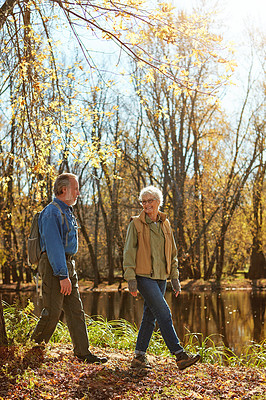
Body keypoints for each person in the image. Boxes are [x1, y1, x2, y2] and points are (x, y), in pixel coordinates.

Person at [31, 173, 107, 364]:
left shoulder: (67, 211)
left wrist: (67, 270)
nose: (78, 193)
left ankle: (83, 353)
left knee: (75, 310)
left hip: (66, 264)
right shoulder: (52, 212)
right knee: (53, 311)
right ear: (63, 190)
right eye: (75, 189)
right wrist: (62, 275)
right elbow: (54, 245)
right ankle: (33, 349)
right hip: (53, 265)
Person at [123, 186, 200, 371]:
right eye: (144, 201)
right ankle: (180, 355)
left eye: (150, 201)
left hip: (161, 278)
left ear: (158, 202)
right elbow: (128, 252)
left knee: (149, 316)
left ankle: (139, 357)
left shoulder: (165, 223)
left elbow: (172, 254)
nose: (147, 204)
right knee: (164, 313)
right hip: (143, 277)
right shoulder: (135, 224)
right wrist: (131, 279)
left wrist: (174, 278)